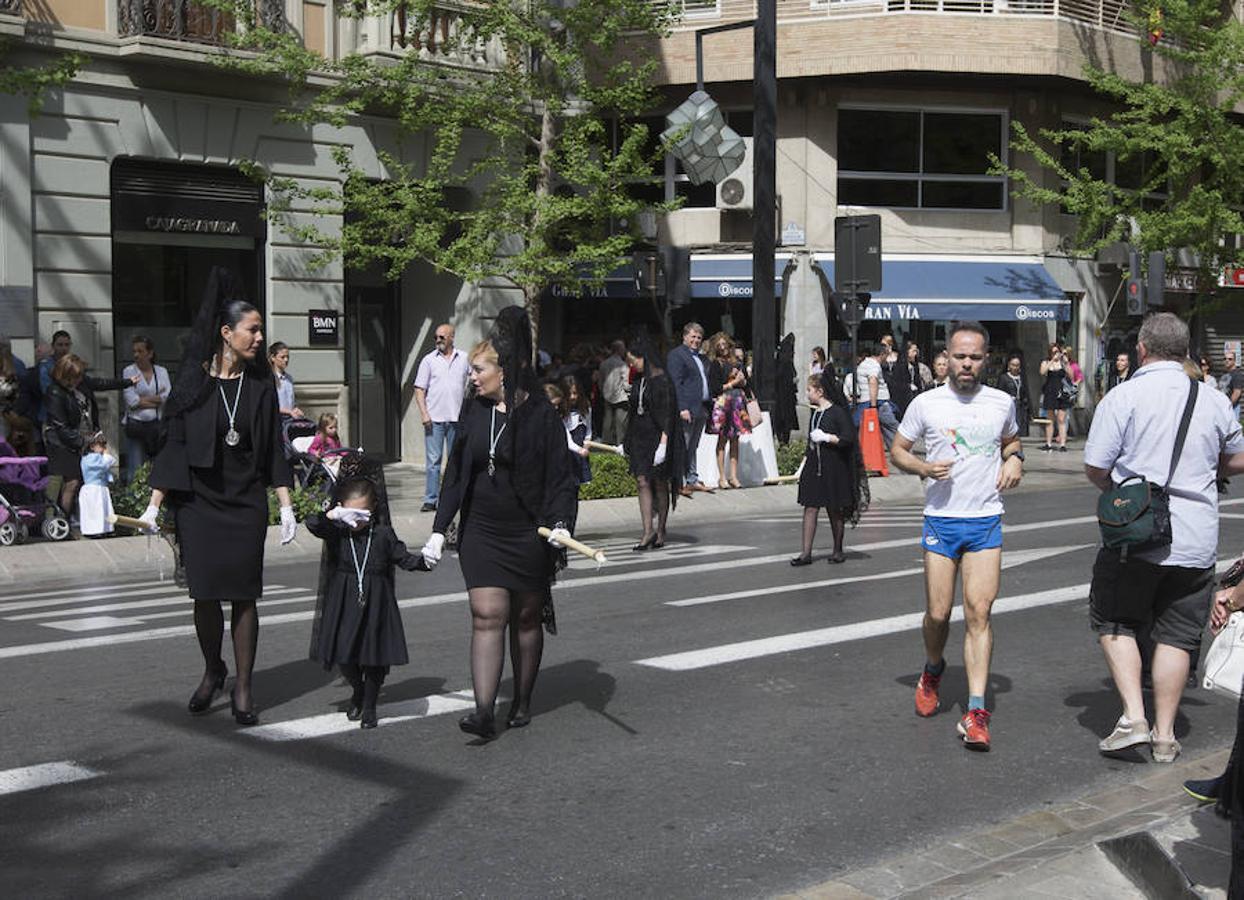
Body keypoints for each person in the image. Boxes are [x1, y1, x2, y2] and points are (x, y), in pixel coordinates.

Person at [138, 266, 297, 727]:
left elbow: (271, 450)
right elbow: (174, 449)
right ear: (226, 334)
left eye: (261, 329)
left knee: (244, 596)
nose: (259, 337)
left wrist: (285, 505)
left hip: (244, 503)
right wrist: (153, 506)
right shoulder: (193, 386)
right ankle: (213, 669)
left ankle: (244, 686)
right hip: (200, 505)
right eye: (253, 329)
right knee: (204, 595)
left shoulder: (261, 388)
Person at [1084, 312, 1244, 764]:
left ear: (1141, 350)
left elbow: (1096, 466)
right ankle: (1165, 735)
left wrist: (1124, 496)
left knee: (1114, 619)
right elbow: (1237, 458)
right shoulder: (1211, 398)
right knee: (1176, 634)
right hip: (1196, 538)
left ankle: (1133, 718)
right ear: (1187, 352)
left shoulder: (1124, 396)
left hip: (1136, 535)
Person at [420, 307, 578, 741]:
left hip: (528, 530)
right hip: (483, 531)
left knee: (525, 617)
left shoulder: (540, 413)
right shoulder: (474, 412)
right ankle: (485, 711)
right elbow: (456, 474)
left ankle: (523, 700)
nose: (472, 377)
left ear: (503, 371)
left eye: (478, 370)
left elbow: (559, 476)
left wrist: (562, 522)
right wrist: (439, 528)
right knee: (487, 613)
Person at [890, 321, 1024, 752]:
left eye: (976, 357)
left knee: (979, 614)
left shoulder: (1001, 401)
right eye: (960, 356)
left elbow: (1011, 441)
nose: (967, 364)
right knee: (938, 614)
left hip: (985, 519)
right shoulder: (926, 404)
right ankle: (933, 667)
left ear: (987, 359)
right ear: (947, 357)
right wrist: (923, 468)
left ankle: (977, 711)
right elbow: (898, 450)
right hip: (941, 520)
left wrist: (1016, 459)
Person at [305, 461, 428, 729]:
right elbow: (313, 524)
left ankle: (370, 705)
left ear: (373, 509)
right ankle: (357, 690)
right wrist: (333, 516)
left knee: (373, 656)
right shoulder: (339, 533)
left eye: (362, 512)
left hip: (376, 600)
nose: (356, 519)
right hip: (344, 598)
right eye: (351, 512)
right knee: (345, 656)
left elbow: (403, 558)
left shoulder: (382, 534)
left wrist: (425, 561)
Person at [791, 372, 866, 566]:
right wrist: (803, 465)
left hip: (834, 467)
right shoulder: (815, 413)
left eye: (809, 390)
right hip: (814, 465)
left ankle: (838, 550)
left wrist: (827, 437)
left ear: (820, 391)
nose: (807, 394)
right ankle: (806, 553)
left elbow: (848, 439)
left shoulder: (838, 413)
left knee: (834, 509)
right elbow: (810, 441)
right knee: (810, 507)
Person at [624, 339, 682, 551]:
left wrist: (664, 443)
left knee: (659, 482)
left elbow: (667, 414)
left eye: (634, 361)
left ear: (644, 357)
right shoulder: (639, 381)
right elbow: (632, 413)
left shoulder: (662, 380)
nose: (632, 365)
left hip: (657, 437)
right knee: (642, 481)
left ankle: (660, 530)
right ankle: (647, 530)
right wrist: (627, 441)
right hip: (640, 436)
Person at [413, 323, 469, 513]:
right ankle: (431, 499)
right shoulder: (428, 360)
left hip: (457, 418)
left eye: (442, 337)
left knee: (456, 461)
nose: (438, 340)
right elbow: (419, 388)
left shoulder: (464, 358)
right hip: (434, 419)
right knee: (433, 462)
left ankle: (454, 497)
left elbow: (474, 383)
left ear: (452, 337)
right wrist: (424, 414)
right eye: (436, 337)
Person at [43, 354, 97, 524]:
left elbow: (101, 383)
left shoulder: (71, 388)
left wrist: (128, 382)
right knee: (63, 481)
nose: (79, 380)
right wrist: (84, 442)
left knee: (72, 482)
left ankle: (61, 520)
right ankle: (54, 520)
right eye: (76, 377)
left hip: (70, 440)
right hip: (58, 442)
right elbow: (61, 426)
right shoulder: (55, 391)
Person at [666, 322, 713, 494]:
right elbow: (675, 383)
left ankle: (692, 478)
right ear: (684, 337)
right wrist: (682, 407)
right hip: (687, 408)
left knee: (693, 446)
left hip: (701, 408)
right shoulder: (677, 355)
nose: (696, 340)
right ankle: (678, 481)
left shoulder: (699, 357)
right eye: (692, 336)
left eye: (699, 337)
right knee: (682, 445)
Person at [122, 335, 171, 482]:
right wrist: (155, 400)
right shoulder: (129, 371)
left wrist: (142, 400)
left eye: (140, 351)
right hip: (136, 425)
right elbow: (131, 401)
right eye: (134, 351)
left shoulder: (161, 371)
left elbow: (166, 397)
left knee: (156, 466)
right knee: (135, 467)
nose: (136, 355)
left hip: (156, 425)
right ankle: (133, 501)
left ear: (150, 353)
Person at [706, 332, 750, 490]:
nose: (723, 348)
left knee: (735, 440)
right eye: (720, 346)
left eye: (725, 345)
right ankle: (722, 477)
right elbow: (715, 388)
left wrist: (743, 380)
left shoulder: (736, 362)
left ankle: (733, 476)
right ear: (715, 348)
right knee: (722, 440)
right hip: (723, 402)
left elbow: (746, 383)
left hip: (737, 401)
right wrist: (733, 383)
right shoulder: (715, 364)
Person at [856, 341, 900, 449]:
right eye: (886, 355)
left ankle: (896, 449)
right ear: (882, 354)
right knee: (894, 427)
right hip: (879, 403)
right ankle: (901, 450)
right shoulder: (874, 366)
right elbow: (873, 381)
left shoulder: (864, 364)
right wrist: (874, 405)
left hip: (868, 402)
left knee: (885, 429)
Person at [77, 433, 115, 538]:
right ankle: (94, 530)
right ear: (92, 446)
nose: (104, 448)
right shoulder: (90, 458)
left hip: (100, 488)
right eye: (101, 445)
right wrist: (107, 456)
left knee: (104, 509)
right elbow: (101, 466)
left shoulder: (96, 457)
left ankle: (105, 528)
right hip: (93, 488)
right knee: (95, 510)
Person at [558, 375, 593, 485]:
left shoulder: (585, 407)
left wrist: (587, 443)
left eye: (575, 393)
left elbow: (588, 429)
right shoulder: (560, 411)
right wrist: (579, 450)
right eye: (569, 394)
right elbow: (565, 436)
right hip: (567, 451)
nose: (573, 397)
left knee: (578, 485)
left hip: (580, 451)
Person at [1039, 342, 1072, 452]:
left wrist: (1067, 363)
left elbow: (1071, 376)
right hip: (1050, 391)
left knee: (1061, 418)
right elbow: (1042, 372)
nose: (1056, 354)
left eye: (1057, 351)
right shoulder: (1046, 362)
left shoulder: (1063, 363)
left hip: (1062, 392)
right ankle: (1048, 443)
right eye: (1053, 352)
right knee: (1050, 419)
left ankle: (1062, 444)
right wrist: (1052, 360)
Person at [598, 339, 630, 445]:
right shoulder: (623, 365)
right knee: (621, 425)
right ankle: (620, 446)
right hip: (621, 397)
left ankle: (606, 446)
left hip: (607, 396)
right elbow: (626, 383)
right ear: (620, 350)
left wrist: (603, 392)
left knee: (607, 423)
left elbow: (600, 381)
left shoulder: (603, 364)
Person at [997, 353, 1033, 438]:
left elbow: (1026, 393)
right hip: (1009, 406)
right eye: (1013, 365)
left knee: (1020, 427)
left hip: (1020, 407)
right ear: (1009, 365)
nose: (1015, 367)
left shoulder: (1022, 378)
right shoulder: (1004, 378)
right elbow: (1000, 392)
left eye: (1017, 365)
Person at [268, 342, 301, 420]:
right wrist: (289, 411)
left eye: (287, 357)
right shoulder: (269, 379)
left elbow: (291, 401)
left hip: (289, 421)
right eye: (282, 357)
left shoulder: (289, 379)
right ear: (273, 358)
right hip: (276, 420)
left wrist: (295, 409)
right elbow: (270, 405)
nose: (286, 360)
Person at [1221, 350, 1244, 421]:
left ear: (1234, 361)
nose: (1227, 361)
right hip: (1223, 408)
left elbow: (1237, 392)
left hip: (1232, 408)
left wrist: (1228, 405)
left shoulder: (1237, 375)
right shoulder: (1225, 374)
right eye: (1225, 359)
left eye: (1230, 359)